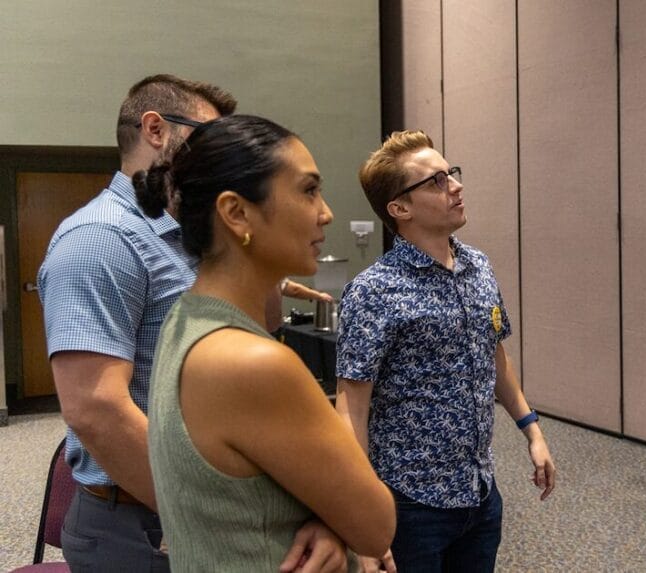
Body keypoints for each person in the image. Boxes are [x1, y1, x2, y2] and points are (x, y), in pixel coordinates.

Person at [37, 75, 340, 572]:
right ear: (155, 129)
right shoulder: (100, 240)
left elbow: (259, 337)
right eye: (206, 137)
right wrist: (223, 515)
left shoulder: (189, 237)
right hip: (145, 525)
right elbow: (97, 410)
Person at [136, 114, 395, 571]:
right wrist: (344, 521)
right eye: (308, 190)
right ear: (237, 213)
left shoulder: (186, 320)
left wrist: (331, 521)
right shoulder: (253, 363)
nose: (326, 212)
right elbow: (376, 526)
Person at [336, 130, 557, 572]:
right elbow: (351, 409)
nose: (455, 186)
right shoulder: (372, 291)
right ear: (399, 208)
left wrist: (532, 431)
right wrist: (360, 525)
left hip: (479, 493)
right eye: (435, 181)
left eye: (451, 174)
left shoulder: (477, 266)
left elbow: (494, 358)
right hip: (409, 504)